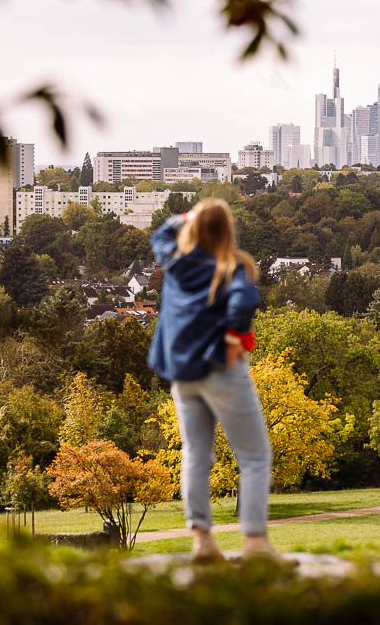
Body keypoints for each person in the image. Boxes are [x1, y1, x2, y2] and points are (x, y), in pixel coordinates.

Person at [148, 198, 276, 562]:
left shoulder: (176, 263)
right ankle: (255, 545)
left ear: (193, 228)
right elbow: (244, 303)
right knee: (254, 456)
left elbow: (161, 233)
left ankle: (202, 541)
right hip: (220, 370)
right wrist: (235, 336)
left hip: (183, 375)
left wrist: (188, 217)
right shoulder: (231, 266)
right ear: (227, 230)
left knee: (196, 455)